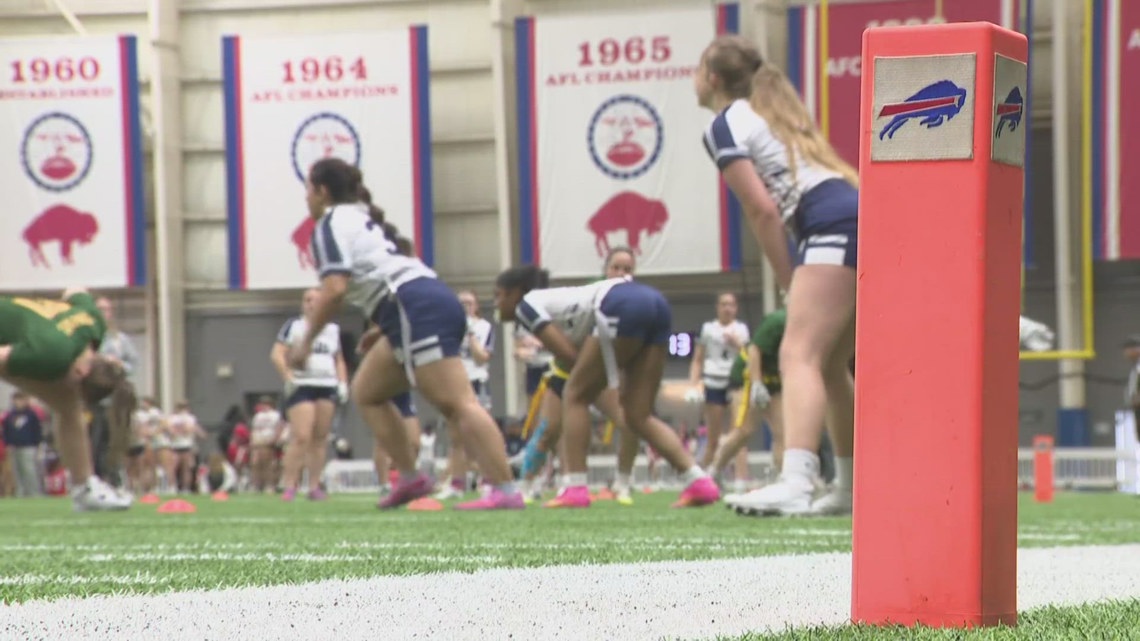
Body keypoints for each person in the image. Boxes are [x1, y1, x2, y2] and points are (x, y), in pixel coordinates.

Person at [289, 157, 523, 510]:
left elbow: (335, 290)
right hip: (419, 303)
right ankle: (411, 478)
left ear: (322, 191)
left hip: (414, 307)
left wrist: (305, 341)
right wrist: (383, 327)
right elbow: (386, 271)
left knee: (458, 403)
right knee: (367, 392)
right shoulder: (361, 216)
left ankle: (505, 490)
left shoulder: (328, 224)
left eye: (308, 189)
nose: (306, 197)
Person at [697, 35, 858, 516]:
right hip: (853, 212)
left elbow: (762, 211)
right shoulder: (771, 112)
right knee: (831, 364)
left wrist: (790, 279)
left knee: (797, 354)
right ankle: (850, 488)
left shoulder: (725, 124)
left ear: (713, 78)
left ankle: (796, 481)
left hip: (829, 223)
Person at [494, 265, 720, 509]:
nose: (496, 304)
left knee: (574, 394)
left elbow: (569, 357)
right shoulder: (559, 300)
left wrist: (595, 381)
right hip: (655, 302)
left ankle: (575, 487)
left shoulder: (526, 306)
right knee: (638, 415)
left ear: (515, 293)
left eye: (499, 295)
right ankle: (698, 480)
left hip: (619, 305)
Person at [514, 247, 641, 505]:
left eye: (627, 269)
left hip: (599, 375)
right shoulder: (585, 295)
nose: (621, 274)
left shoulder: (633, 303)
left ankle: (622, 483)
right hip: (564, 371)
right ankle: (525, 486)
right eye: (616, 268)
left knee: (629, 422)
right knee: (547, 431)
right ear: (605, 269)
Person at [0, 287, 131, 511]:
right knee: (69, 403)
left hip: (21, 330)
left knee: (69, 406)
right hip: (27, 342)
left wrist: (46, 322)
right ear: (81, 372)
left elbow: (75, 290)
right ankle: (84, 489)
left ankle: (84, 488)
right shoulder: (53, 354)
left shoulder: (94, 324)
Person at [272, 288, 350, 501]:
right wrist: (288, 377)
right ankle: (289, 484)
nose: (311, 304)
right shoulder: (294, 326)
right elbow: (277, 354)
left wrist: (343, 383)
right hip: (302, 383)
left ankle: (314, 485)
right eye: (307, 300)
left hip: (326, 384)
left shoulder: (332, 329)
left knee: (320, 437)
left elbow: (338, 359)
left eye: (315, 300)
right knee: (301, 436)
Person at [709, 308, 786, 499]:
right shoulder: (779, 321)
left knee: (783, 433)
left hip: (775, 381)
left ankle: (784, 479)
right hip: (748, 377)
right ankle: (714, 472)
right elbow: (754, 350)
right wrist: (757, 383)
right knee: (744, 431)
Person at [686, 293, 750, 471]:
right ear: (717, 307)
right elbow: (697, 359)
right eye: (723, 304)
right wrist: (693, 385)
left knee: (739, 434)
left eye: (731, 305)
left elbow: (751, 356)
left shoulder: (742, 329)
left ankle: (741, 479)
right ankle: (708, 476)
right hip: (713, 381)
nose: (727, 308)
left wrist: (737, 343)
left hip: (736, 381)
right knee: (713, 438)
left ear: (736, 308)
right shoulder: (708, 329)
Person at [91, 296, 139, 488]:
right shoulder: (85, 338)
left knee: (115, 442)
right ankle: (93, 480)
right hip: (90, 398)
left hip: (114, 400)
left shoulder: (120, 340)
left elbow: (133, 363)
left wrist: (119, 364)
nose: (103, 313)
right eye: (99, 309)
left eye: (106, 309)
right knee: (93, 442)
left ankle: (114, 480)